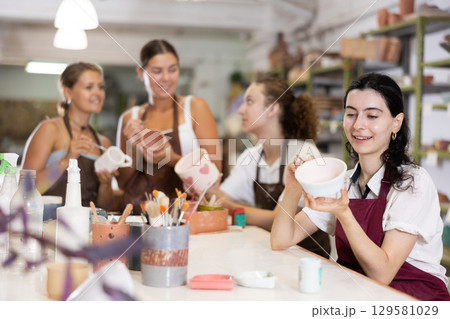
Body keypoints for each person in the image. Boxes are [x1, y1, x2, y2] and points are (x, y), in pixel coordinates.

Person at [271, 73, 450, 301]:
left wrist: (344, 214)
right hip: (360, 295)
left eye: (372, 115)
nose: (358, 125)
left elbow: (382, 274)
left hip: (412, 299)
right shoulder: (343, 181)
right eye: (351, 114)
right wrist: (294, 187)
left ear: (396, 122)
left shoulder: (413, 182)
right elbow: (281, 240)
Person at [208, 74, 330, 258]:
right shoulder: (251, 156)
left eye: (249, 101)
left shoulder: (303, 154)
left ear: (272, 109)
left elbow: (276, 220)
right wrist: (205, 187)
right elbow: (218, 197)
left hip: (307, 259)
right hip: (271, 253)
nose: (241, 109)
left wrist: (227, 205)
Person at [116, 39, 221, 212]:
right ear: (141, 73)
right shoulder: (129, 118)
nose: (166, 78)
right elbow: (123, 183)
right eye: (157, 71)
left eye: (172, 70)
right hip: (139, 214)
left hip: (185, 214)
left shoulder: (195, 107)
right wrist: (133, 146)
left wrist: (171, 158)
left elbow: (213, 174)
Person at [22, 62, 115, 210]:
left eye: (101, 87)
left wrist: (105, 184)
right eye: (89, 87)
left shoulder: (104, 143)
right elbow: (26, 190)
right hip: (49, 226)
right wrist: (66, 160)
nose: (98, 93)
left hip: (87, 229)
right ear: (68, 92)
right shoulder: (50, 129)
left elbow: (106, 208)